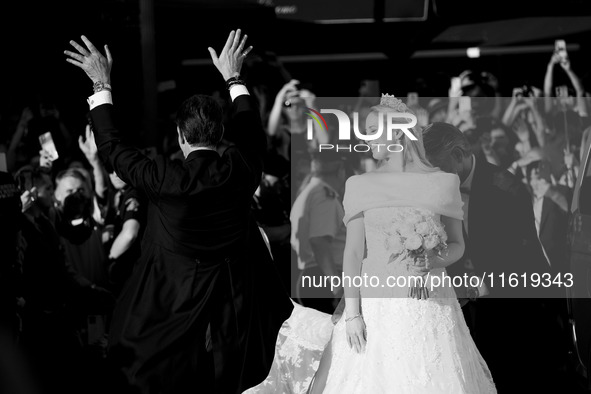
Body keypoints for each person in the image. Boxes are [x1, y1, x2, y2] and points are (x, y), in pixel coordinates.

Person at [64, 31, 293, 393]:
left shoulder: (163, 177)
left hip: (165, 323)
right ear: (218, 135)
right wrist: (234, 78)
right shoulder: (240, 170)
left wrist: (101, 84)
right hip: (235, 324)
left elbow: (112, 148)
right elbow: (252, 132)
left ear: (181, 136)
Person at [248, 95, 496, 394]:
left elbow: (457, 244)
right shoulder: (359, 184)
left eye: (371, 129)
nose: (365, 138)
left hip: (431, 302)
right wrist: (353, 313)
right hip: (376, 305)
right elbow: (352, 254)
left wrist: (434, 260)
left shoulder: (444, 183)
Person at [422, 122, 560, 392]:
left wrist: (477, 286)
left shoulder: (507, 189)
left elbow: (519, 259)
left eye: (439, 167)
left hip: (512, 306)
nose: (434, 176)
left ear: (459, 155)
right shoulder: (436, 189)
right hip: (463, 306)